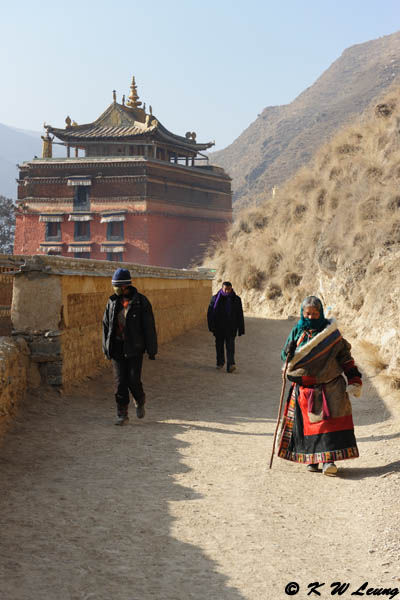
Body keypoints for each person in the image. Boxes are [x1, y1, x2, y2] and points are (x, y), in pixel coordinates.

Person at [277, 296, 362, 476]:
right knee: (308, 426)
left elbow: (345, 357)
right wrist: (288, 352)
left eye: (315, 314)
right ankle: (312, 459)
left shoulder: (330, 335)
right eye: (307, 314)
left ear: (321, 313)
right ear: (302, 313)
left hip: (330, 388)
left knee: (327, 425)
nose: (310, 317)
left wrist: (354, 378)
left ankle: (328, 461)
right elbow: (285, 359)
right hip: (304, 390)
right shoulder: (296, 332)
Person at [102, 268, 157, 425]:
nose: (115, 289)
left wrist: (152, 350)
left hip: (134, 348)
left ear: (125, 286)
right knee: (120, 383)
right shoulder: (112, 302)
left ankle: (140, 399)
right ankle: (122, 414)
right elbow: (105, 326)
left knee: (133, 380)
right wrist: (106, 348)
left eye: (117, 286)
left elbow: (149, 327)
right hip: (117, 348)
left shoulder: (141, 302)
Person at [207, 281, 245, 373]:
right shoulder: (215, 298)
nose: (227, 291)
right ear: (222, 288)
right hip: (219, 328)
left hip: (231, 328)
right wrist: (211, 326)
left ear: (231, 288)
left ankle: (231, 365)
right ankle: (220, 362)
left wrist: (241, 329)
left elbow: (240, 314)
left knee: (230, 346)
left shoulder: (236, 300)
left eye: (229, 289)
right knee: (219, 346)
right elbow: (210, 314)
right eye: (225, 289)